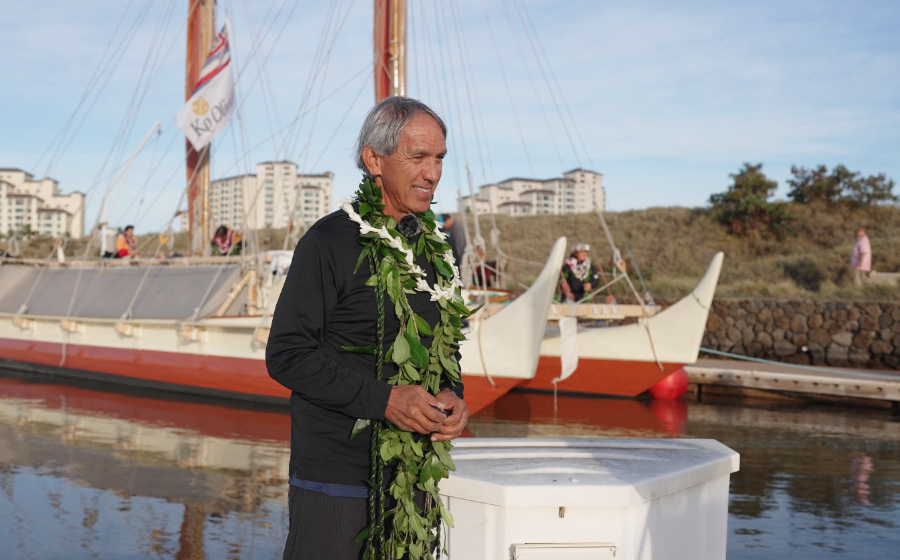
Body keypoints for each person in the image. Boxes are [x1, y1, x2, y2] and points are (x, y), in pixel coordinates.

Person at [266, 97, 468, 559]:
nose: (433, 173)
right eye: (418, 157)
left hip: (412, 482)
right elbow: (287, 354)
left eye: (439, 158)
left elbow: (445, 346)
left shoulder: (435, 249)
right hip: (336, 483)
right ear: (374, 160)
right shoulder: (329, 241)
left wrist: (453, 394)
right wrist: (385, 401)